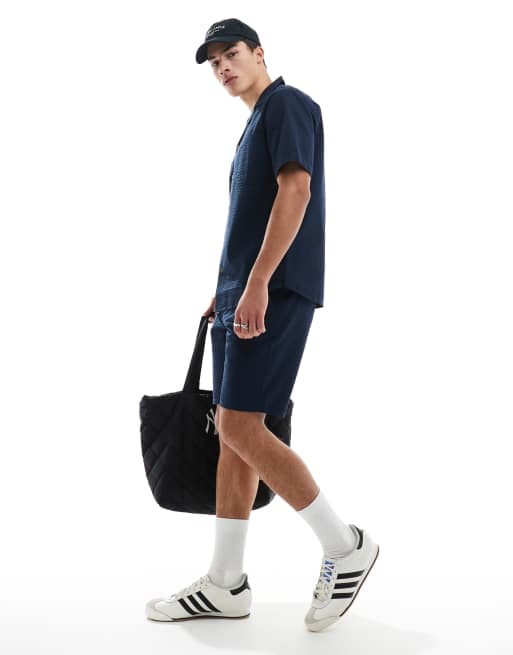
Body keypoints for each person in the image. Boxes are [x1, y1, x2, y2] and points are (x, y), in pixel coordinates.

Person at [146, 18, 379, 632]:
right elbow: (253, 219)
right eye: (214, 62)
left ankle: (344, 545)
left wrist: (255, 286)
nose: (223, 67)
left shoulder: (288, 105)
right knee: (233, 432)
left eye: (232, 53)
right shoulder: (254, 124)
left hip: (271, 294)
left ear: (259, 53)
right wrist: (226, 290)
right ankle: (226, 582)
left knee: (241, 426)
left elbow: (295, 192)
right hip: (241, 296)